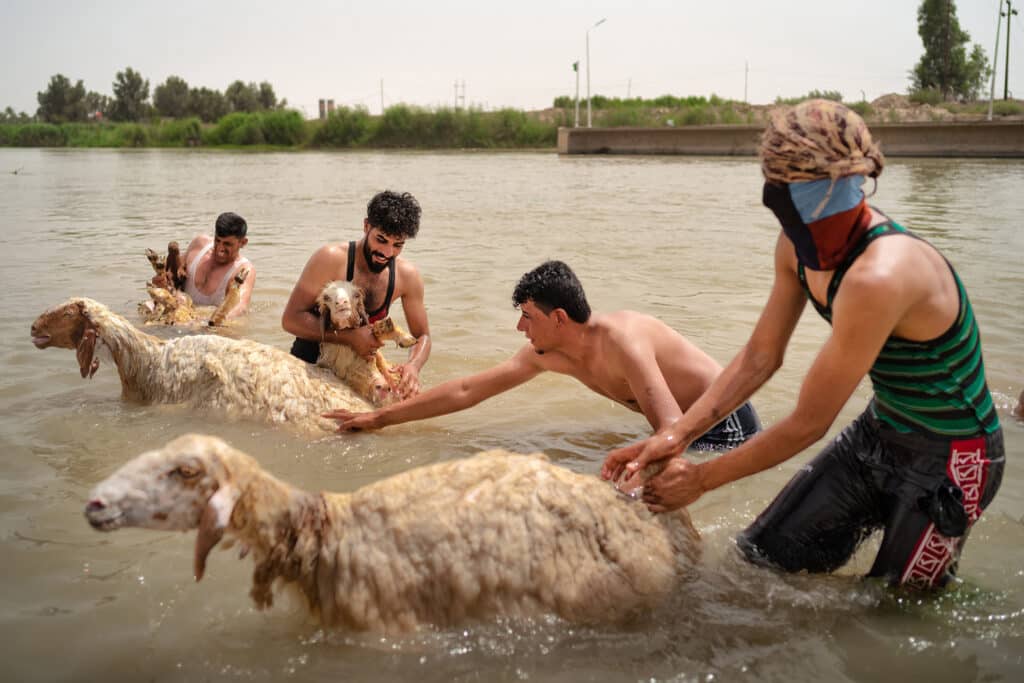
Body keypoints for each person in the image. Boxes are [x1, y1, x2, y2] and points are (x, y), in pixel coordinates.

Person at [602, 100, 1005, 589]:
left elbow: (809, 423)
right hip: (879, 433)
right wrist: (677, 436)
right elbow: (760, 357)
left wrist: (702, 480)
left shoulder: (880, 275)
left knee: (895, 612)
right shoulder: (794, 246)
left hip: (955, 456)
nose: (806, 236)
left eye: (816, 218)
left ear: (850, 192)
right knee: (758, 564)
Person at [325, 260, 761, 449]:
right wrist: (378, 419)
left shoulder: (624, 339)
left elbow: (669, 428)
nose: (520, 327)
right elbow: (467, 390)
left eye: (527, 316)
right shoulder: (549, 352)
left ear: (559, 319)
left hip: (724, 426)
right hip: (682, 429)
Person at [282, 190, 430, 399]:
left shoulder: (407, 276)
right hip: (311, 365)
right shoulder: (330, 259)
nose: (387, 253)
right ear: (366, 226)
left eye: (398, 245)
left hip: (359, 372)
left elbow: (422, 335)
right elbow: (290, 320)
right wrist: (350, 338)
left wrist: (413, 367)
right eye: (381, 239)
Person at [178, 212, 255, 320]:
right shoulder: (199, 244)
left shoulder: (243, 269)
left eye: (227, 244)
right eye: (217, 241)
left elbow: (240, 306)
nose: (220, 249)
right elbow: (174, 270)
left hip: (207, 325)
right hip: (179, 316)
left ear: (243, 242)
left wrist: (210, 321)